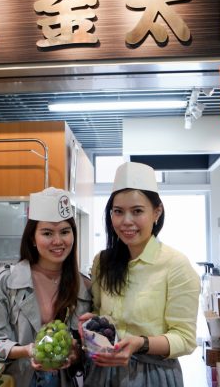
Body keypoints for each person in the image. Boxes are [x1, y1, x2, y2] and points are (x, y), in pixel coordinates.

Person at [81, 162, 201, 386]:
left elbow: (185, 339)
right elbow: (100, 311)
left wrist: (140, 343)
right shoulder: (103, 262)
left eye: (137, 211)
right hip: (102, 372)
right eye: (118, 212)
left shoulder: (175, 265)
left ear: (157, 212)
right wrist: (93, 321)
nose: (126, 221)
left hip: (152, 374)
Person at [0, 187, 92, 387]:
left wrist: (77, 353)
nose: (58, 241)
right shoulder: (7, 282)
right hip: (18, 380)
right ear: (33, 237)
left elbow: (90, 353)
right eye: (47, 233)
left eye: (65, 232)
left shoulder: (85, 287)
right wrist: (28, 350)